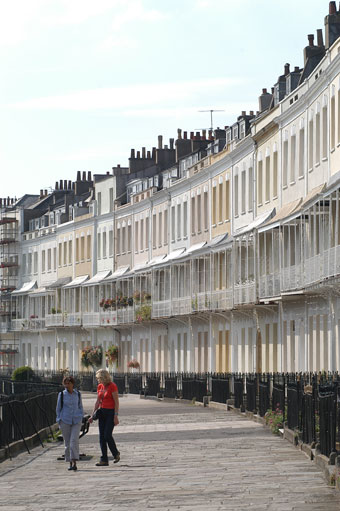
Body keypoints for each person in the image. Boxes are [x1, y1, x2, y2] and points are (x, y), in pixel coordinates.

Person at [89, 369, 120, 466]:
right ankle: (104, 459)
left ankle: (116, 453)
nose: (98, 380)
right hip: (102, 412)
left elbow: (116, 402)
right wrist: (92, 414)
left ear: (104, 377)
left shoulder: (112, 386)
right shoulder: (100, 387)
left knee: (107, 435)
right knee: (101, 437)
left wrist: (115, 415)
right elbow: (97, 401)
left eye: (99, 378)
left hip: (110, 413)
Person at [56, 376, 84, 471]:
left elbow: (80, 406)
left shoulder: (78, 394)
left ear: (73, 384)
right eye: (66, 383)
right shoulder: (62, 394)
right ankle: (70, 462)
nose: (67, 385)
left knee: (73, 441)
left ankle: (75, 461)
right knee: (67, 443)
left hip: (76, 420)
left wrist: (80, 416)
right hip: (65, 420)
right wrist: (59, 419)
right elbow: (58, 408)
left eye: (69, 383)